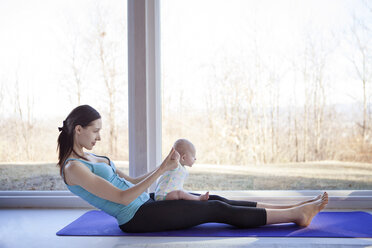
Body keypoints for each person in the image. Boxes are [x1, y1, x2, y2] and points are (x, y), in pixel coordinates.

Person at [57, 105, 329, 233]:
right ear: (78, 130)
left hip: (145, 202)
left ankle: (293, 206)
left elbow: (130, 182)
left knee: (217, 199)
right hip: (136, 217)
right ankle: (297, 215)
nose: (99, 137)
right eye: (95, 131)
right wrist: (162, 169)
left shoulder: (95, 157)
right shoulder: (74, 169)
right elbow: (120, 198)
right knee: (215, 210)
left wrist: (163, 168)